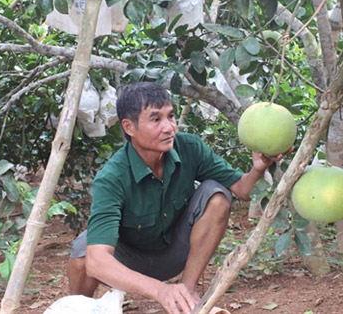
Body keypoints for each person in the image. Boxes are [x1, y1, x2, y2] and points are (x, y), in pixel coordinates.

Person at [67, 82, 288, 314]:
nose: (169, 127)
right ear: (129, 127)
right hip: (129, 260)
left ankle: (187, 290)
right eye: (156, 120)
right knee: (85, 252)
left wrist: (258, 169)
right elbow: (97, 261)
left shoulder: (189, 147)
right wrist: (160, 290)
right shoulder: (112, 178)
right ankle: (79, 308)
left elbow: (241, 190)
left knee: (217, 194)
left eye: (171, 116)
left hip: (175, 252)